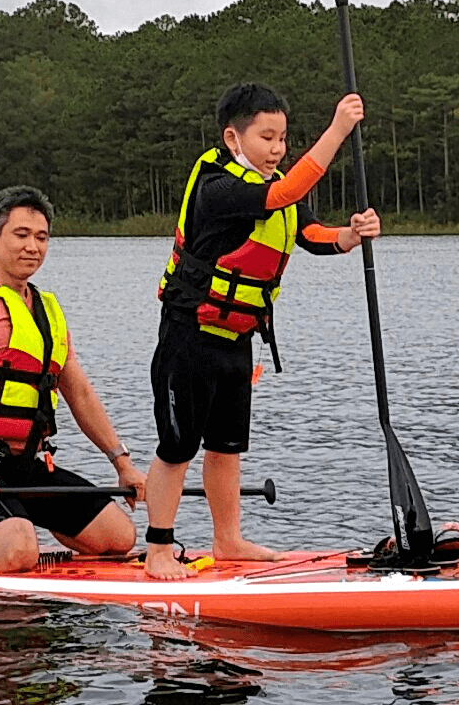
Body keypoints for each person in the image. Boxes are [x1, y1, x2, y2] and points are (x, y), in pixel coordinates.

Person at [143, 82, 381, 579]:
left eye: (283, 139)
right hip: (189, 333)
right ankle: (158, 548)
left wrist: (351, 235)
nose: (277, 149)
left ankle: (228, 540)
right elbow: (288, 191)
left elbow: (311, 233)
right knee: (178, 446)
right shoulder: (219, 186)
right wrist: (339, 128)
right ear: (234, 139)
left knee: (227, 447)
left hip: (238, 337)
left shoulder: (275, 187)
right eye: (267, 138)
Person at [0, 185, 149, 572]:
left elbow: (80, 394)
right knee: (17, 556)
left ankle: (15, 517)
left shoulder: (49, 310)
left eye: (41, 237)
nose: (32, 247)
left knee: (117, 539)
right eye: (20, 235)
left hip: (26, 463)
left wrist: (121, 462)